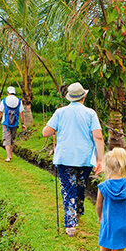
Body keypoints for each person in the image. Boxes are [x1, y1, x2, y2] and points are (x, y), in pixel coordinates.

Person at [42, 82, 104, 237]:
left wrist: (53, 127)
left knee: (69, 189)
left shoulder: (60, 112)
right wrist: (100, 160)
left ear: (69, 98)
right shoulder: (91, 113)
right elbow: (98, 137)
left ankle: (71, 225)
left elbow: (46, 133)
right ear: (83, 97)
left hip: (65, 158)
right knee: (80, 186)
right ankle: (77, 214)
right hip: (84, 158)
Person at [0, 86, 27, 162]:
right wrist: (22, 123)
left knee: (6, 139)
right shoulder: (19, 101)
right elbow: (21, 113)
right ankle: (10, 155)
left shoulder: (4, 100)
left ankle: (8, 157)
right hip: (15, 123)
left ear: (8, 92)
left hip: (5, 123)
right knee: (12, 139)